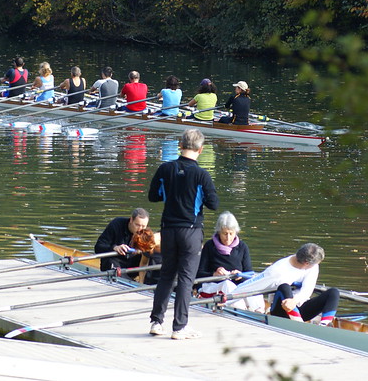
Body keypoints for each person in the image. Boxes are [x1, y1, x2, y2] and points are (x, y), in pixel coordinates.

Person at [148, 128, 219, 340]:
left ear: (181, 145)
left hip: (168, 230)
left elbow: (154, 196)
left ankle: (156, 322)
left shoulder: (165, 169)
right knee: (187, 279)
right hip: (191, 231)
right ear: (201, 149)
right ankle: (179, 327)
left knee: (166, 275)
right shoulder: (202, 174)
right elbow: (214, 204)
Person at [230, 243, 340, 326]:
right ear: (306, 263)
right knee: (284, 286)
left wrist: (294, 301)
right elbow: (249, 286)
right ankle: (301, 325)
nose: (317, 266)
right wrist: (225, 299)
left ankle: (323, 326)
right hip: (280, 311)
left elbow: (307, 290)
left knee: (333, 292)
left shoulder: (313, 265)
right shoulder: (276, 271)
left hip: (299, 308)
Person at [196, 211, 255, 310]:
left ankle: (258, 311)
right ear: (219, 232)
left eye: (231, 234)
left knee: (253, 285)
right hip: (214, 285)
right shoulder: (210, 246)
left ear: (236, 232)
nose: (228, 238)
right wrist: (214, 274)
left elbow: (249, 274)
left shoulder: (242, 247)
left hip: (236, 286)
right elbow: (199, 274)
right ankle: (243, 310)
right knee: (227, 284)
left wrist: (240, 275)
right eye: (225, 234)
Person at [94, 208, 149, 273]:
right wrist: (114, 247)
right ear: (131, 220)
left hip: (133, 266)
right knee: (110, 261)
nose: (140, 229)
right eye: (137, 225)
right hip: (115, 263)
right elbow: (98, 247)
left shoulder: (146, 233)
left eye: (143, 226)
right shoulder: (116, 224)